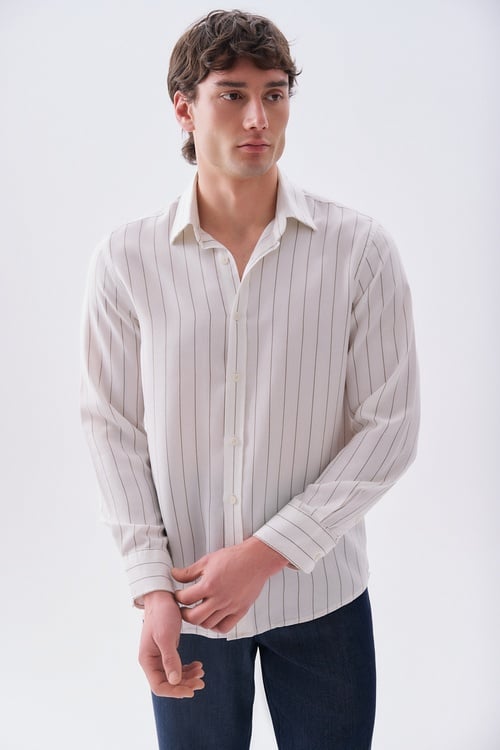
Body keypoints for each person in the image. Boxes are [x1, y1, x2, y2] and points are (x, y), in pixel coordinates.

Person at [80, 9, 419, 750]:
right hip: (188, 605)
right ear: (184, 108)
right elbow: (112, 429)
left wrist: (265, 555)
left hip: (323, 599)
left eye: (275, 93)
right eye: (232, 94)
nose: (258, 117)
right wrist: (150, 586)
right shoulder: (127, 259)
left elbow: (390, 429)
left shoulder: (359, 251)